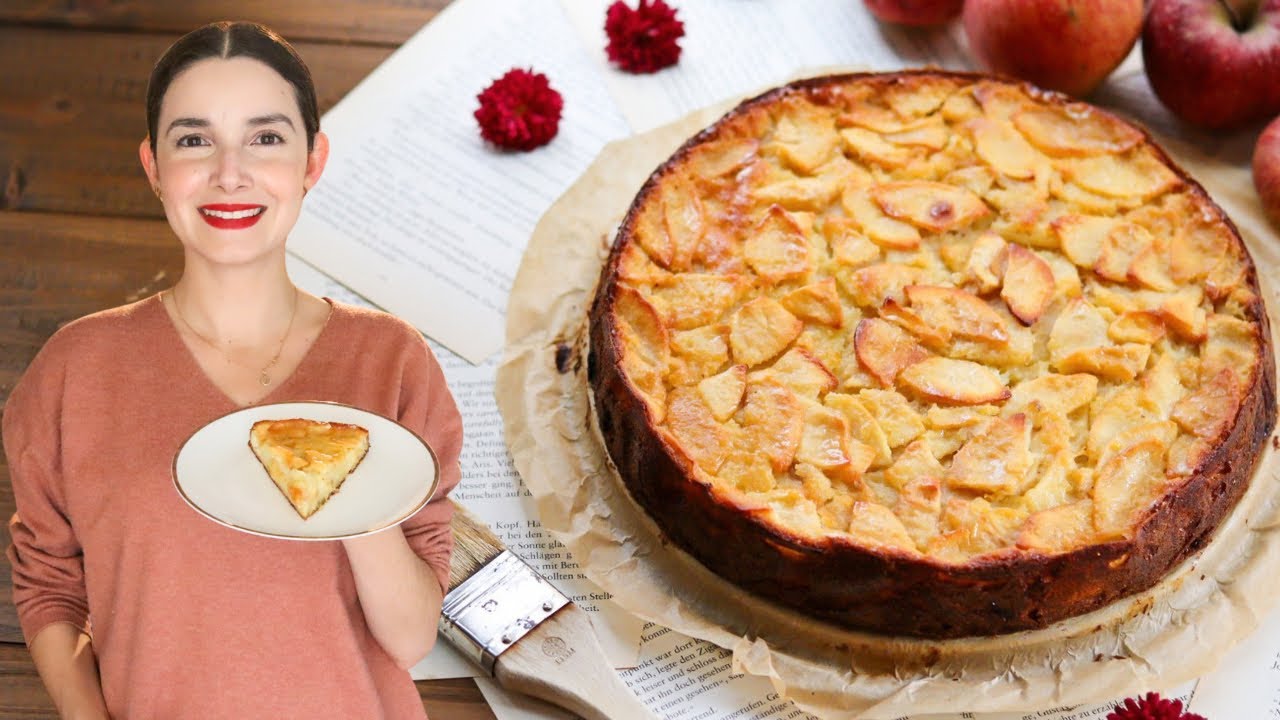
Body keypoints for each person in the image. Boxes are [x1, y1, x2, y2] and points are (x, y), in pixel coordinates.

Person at [3, 21, 463, 719]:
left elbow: (410, 636)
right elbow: (50, 586)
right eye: (194, 140)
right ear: (154, 167)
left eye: (265, 138)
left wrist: (339, 466)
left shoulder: (393, 359)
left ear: (312, 162)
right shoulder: (75, 368)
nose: (229, 172)